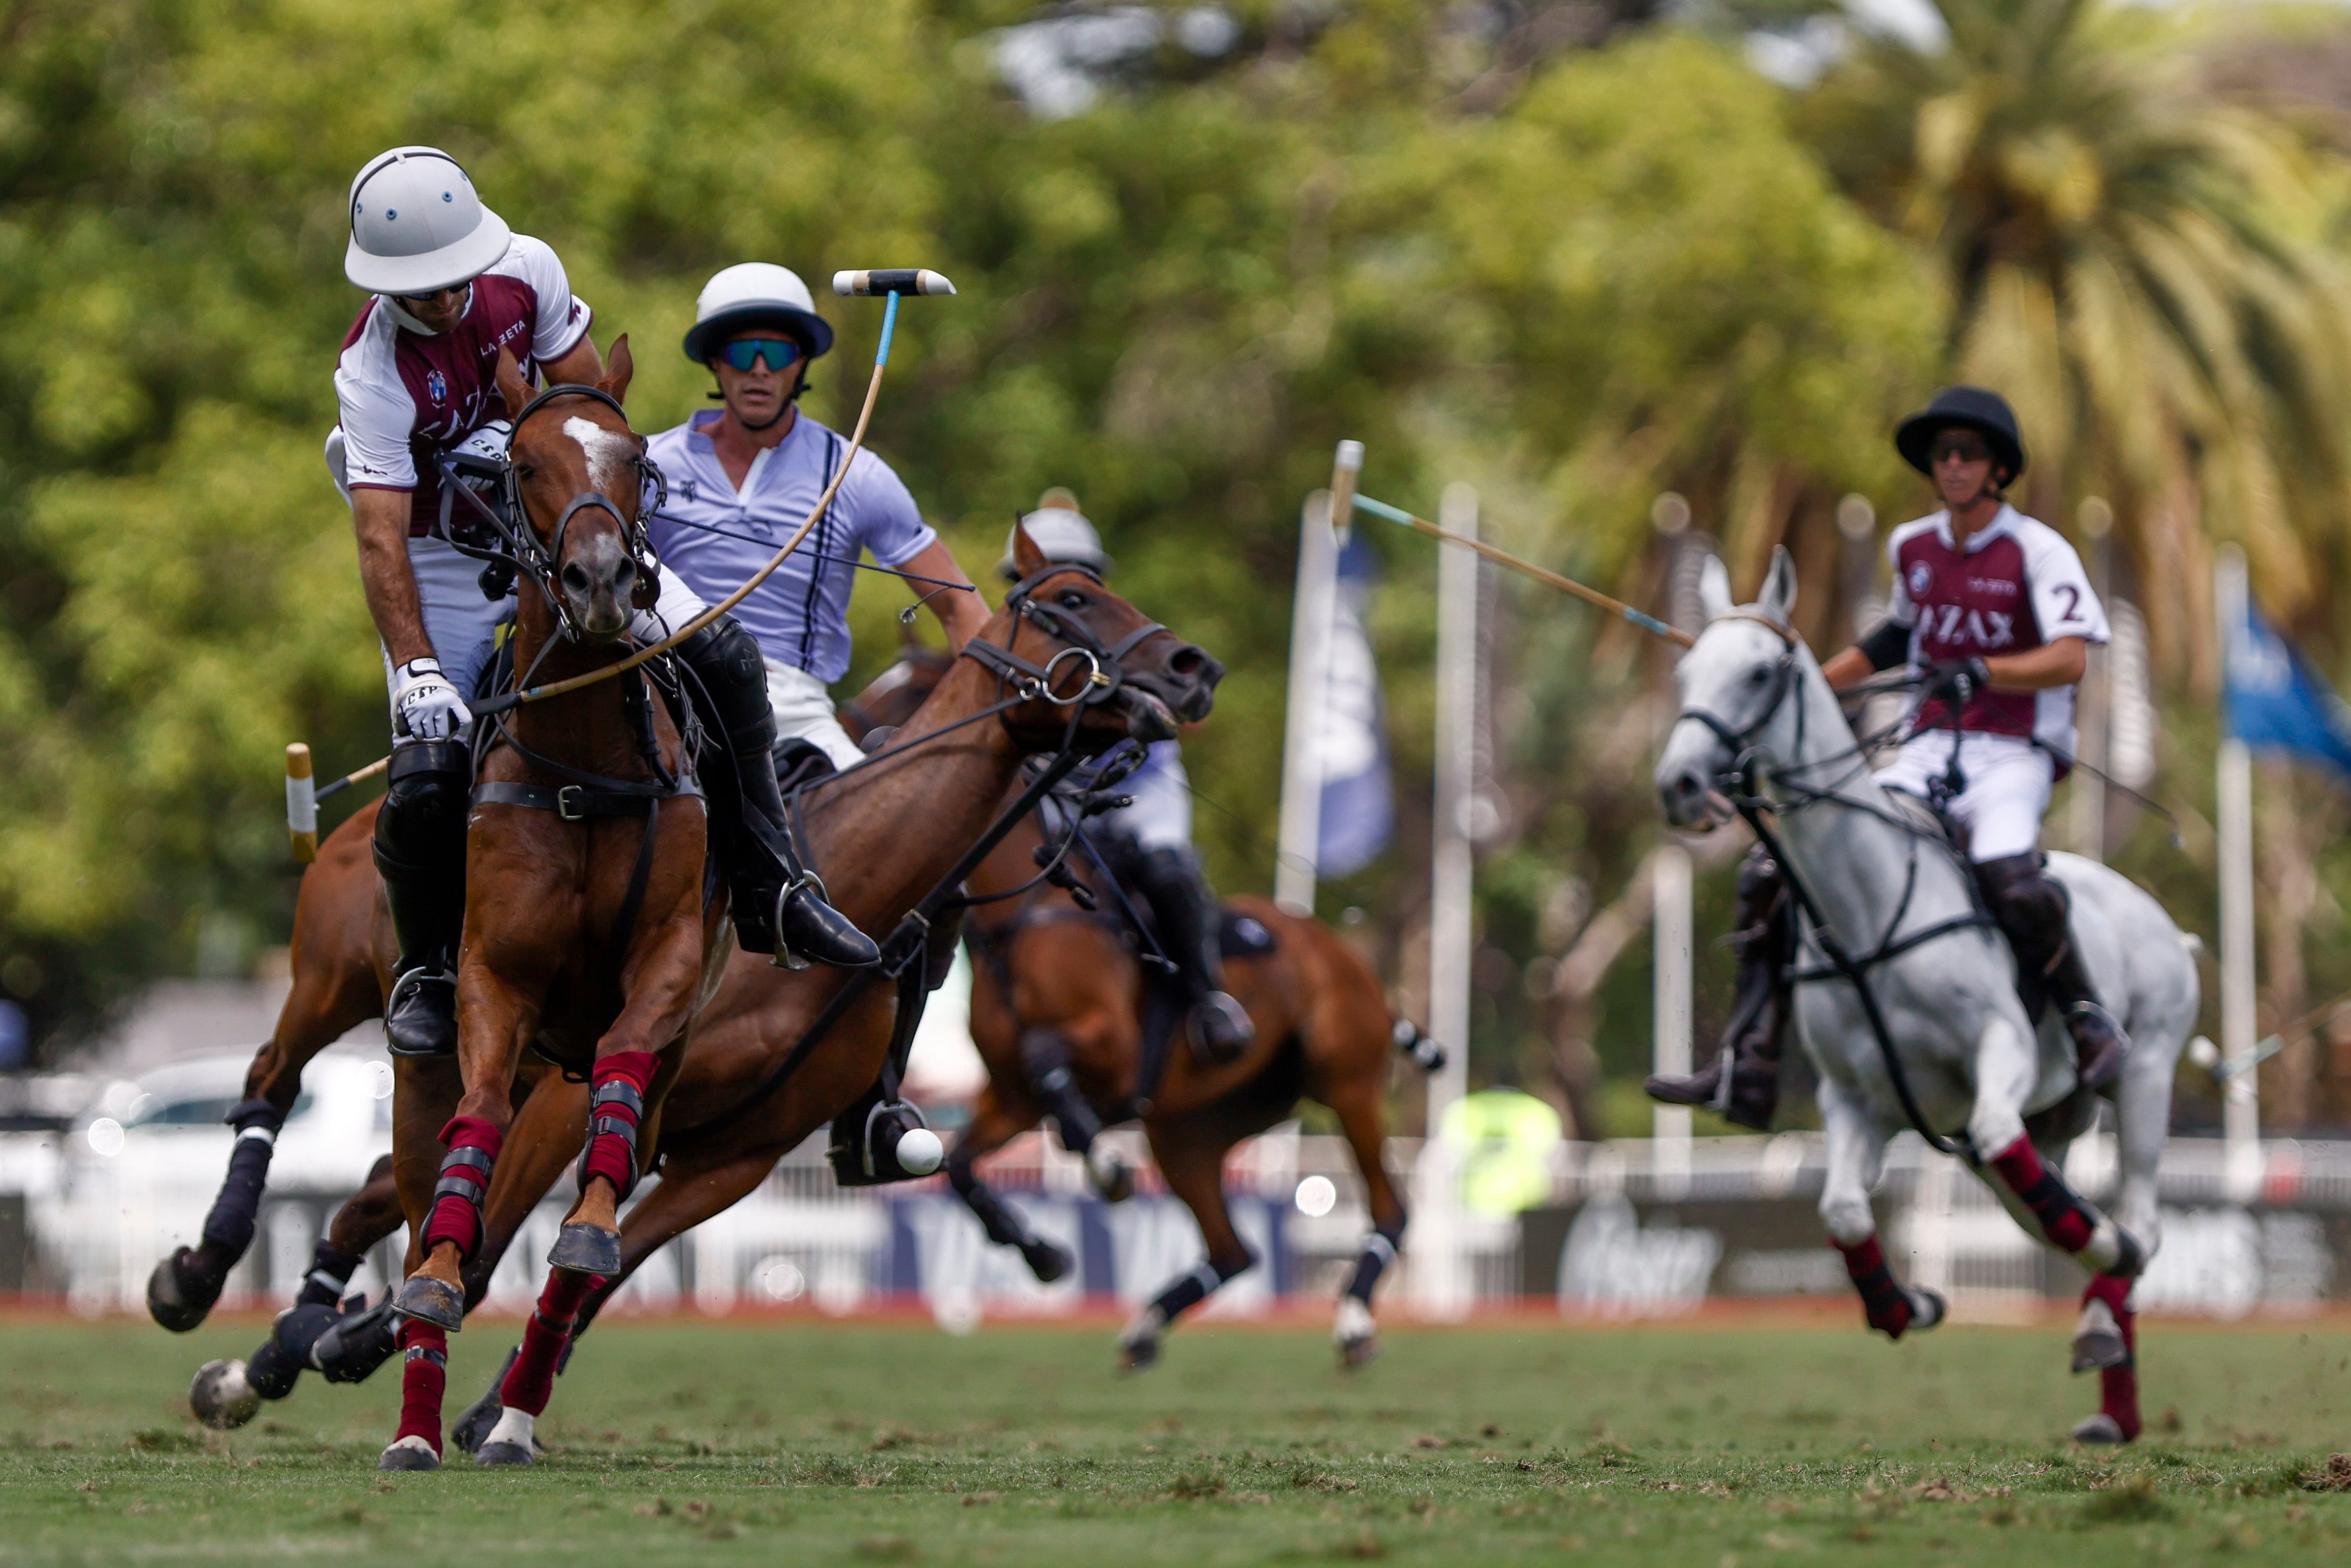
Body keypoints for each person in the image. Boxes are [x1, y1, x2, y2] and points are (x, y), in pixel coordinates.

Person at [331, 152, 874, 1067]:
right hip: (443, 553)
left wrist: (560, 472)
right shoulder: (372, 371)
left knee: (730, 661)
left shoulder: (527, 269)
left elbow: (589, 404)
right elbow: (382, 540)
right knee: (427, 774)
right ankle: (425, 967)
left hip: (565, 519)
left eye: (457, 280)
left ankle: (772, 885)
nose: (448, 302)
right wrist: (418, 668)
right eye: (424, 293)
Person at [1647, 386, 2119, 1128]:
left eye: (1968, 452)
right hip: (1928, 744)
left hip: (2012, 751)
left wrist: (1986, 671)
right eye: (1943, 453)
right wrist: (1799, 677)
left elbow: (2069, 658)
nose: (1953, 464)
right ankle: (1749, 1058)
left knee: (2011, 878)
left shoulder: (2037, 549)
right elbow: (1894, 639)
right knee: (1773, 868)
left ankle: (2087, 1019)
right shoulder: (1914, 546)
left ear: (1998, 467)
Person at [645, 263, 988, 964]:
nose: (761, 370)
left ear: (803, 364)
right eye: (743, 353)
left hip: (793, 708)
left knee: (928, 881)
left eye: (780, 353)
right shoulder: (650, 465)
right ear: (716, 362)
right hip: (663, 697)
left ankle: (881, 1065)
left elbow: (957, 605)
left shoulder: (854, 471)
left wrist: (986, 725)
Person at [1010, 493, 1254, 1062]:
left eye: (1078, 579)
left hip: (1140, 792)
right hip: (1053, 796)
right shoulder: (1009, 648)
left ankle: (1207, 998)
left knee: (1167, 872)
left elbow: (1188, 706)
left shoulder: (1122, 634)